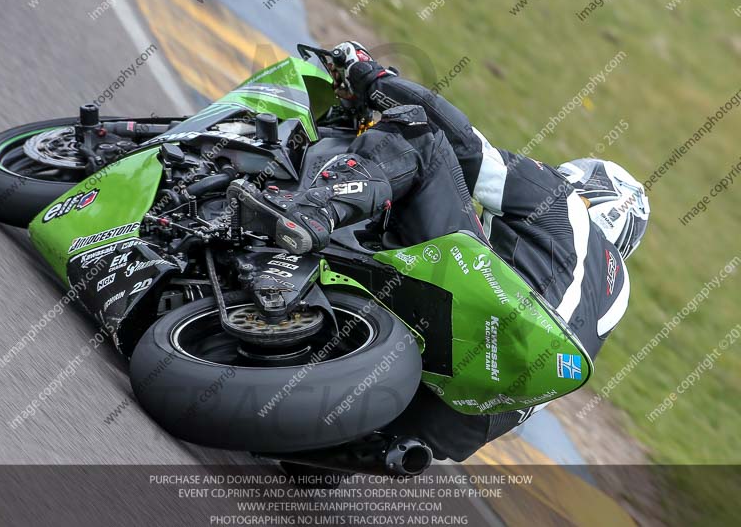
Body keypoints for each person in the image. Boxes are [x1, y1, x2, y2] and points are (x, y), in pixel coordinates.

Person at [231, 41, 651, 461]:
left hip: (485, 303)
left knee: (423, 136)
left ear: (589, 192)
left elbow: (468, 148)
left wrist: (372, 77)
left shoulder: (561, 200)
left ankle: (313, 212)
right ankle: (338, 446)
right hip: (471, 416)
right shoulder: (613, 299)